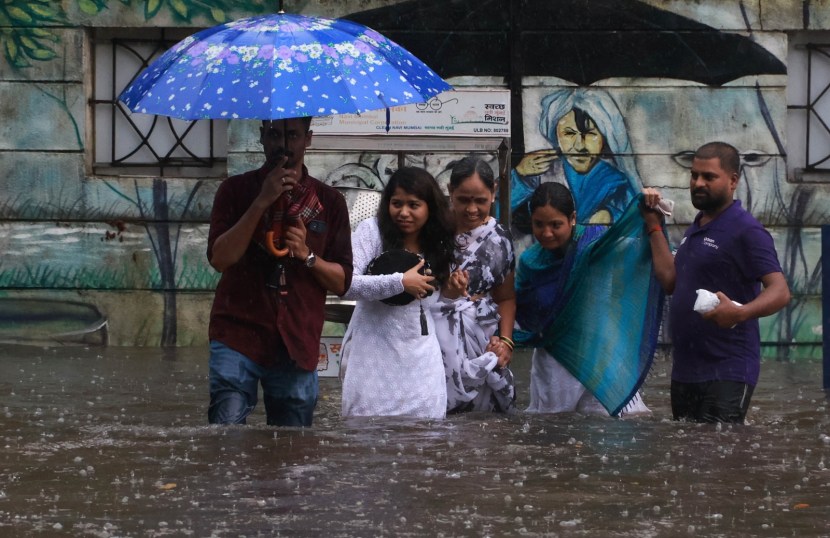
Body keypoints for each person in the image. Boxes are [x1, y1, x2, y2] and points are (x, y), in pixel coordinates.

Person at [206, 117, 353, 427]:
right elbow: (220, 259)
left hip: (296, 340)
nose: (283, 145)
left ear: (308, 139)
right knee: (226, 436)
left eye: (292, 135)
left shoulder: (330, 203)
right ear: (261, 137)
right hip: (238, 333)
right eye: (274, 135)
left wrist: (307, 255)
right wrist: (262, 201)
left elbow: (341, 282)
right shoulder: (235, 191)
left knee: (291, 453)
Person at [641, 141, 790, 424]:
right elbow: (670, 281)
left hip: (728, 370)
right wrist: (654, 225)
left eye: (708, 177)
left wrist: (741, 312)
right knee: (690, 459)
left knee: (721, 460)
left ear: (733, 181)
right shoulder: (698, 226)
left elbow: (780, 291)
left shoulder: (747, 230)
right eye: (694, 175)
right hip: (686, 370)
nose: (698, 183)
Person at [515, 182, 664, 416]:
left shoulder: (597, 245)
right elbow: (521, 310)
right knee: (552, 433)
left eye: (556, 225)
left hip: (601, 355)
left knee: (609, 434)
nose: (547, 233)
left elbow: (642, 250)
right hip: (556, 362)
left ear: (572, 218)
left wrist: (648, 206)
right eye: (539, 224)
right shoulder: (529, 262)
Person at [340, 167, 456, 419]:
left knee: (424, 440)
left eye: (414, 205)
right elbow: (347, 285)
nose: (404, 212)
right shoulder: (372, 231)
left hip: (421, 359)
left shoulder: (440, 241)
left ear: (430, 207)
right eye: (397, 204)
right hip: (371, 356)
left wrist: (452, 291)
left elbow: (437, 298)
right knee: (366, 436)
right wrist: (400, 282)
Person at [432, 157, 516, 413]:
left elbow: (506, 297)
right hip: (435, 337)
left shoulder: (500, 240)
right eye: (463, 200)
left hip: (481, 337)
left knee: (482, 420)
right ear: (450, 192)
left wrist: (506, 343)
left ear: (494, 192)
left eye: (480, 200)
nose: (472, 209)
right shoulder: (434, 233)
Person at [509, 89, 641, 246]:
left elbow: (636, 229)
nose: (579, 146)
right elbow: (492, 215)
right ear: (556, 135)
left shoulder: (617, 184)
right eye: (569, 133)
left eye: (590, 133)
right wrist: (518, 176)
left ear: (605, 137)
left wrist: (611, 216)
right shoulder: (540, 171)